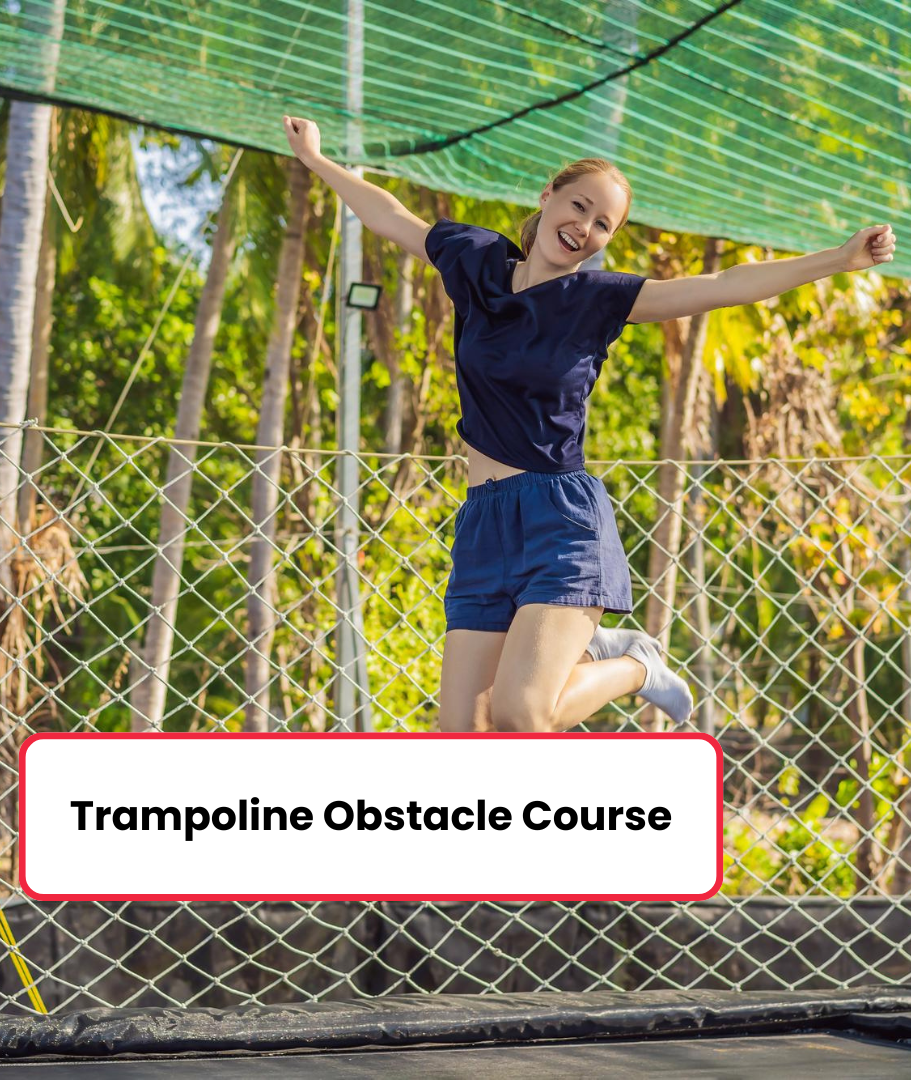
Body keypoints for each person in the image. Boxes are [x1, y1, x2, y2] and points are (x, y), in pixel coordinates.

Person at [282, 113, 897, 735]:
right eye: (579, 206)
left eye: (603, 223)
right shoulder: (478, 261)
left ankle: (635, 660)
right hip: (483, 522)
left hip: (559, 520)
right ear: (547, 196)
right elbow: (391, 217)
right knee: (463, 739)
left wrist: (838, 260)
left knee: (522, 713)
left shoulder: (597, 300)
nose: (585, 228)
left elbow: (723, 285)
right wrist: (317, 160)